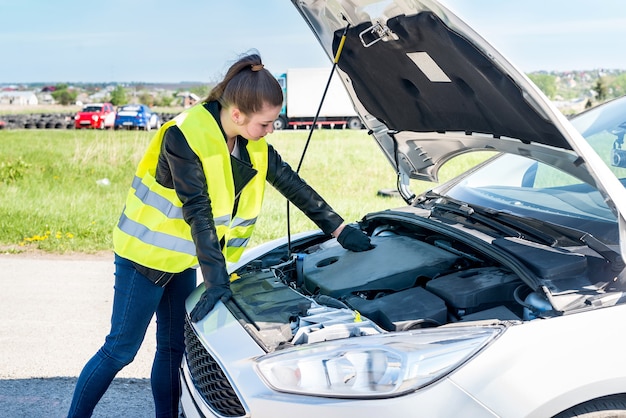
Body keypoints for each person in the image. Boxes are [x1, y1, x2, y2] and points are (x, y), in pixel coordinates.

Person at [67, 51, 372, 418]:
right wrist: (217, 283)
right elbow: (199, 212)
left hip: (180, 261)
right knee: (120, 350)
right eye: (266, 123)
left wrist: (339, 229)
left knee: (171, 351)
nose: (271, 130)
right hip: (144, 259)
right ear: (238, 113)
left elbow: (291, 182)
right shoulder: (184, 136)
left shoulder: (250, 141)